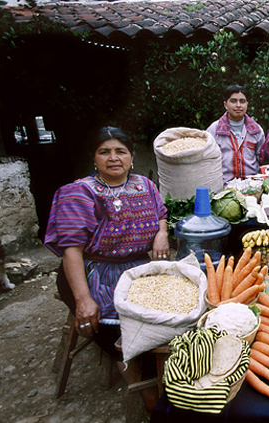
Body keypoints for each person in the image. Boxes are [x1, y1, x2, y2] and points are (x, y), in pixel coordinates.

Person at [44, 126, 169, 412]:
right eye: (105, 152)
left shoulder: (145, 186)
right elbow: (71, 250)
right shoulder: (78, 192)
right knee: (121, 331)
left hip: (136, 267)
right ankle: (147, 389)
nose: (113, 158)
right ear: (94, 158)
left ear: (132, 156)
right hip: (91, 272)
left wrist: (161, 233)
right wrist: (83, 299)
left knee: (163, 318)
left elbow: (161, 214)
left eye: (120, 151)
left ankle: (155, 373)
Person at [205, 85, 265, 183]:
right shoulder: (214, 129)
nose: (238, 105)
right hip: (223, 187)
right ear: (225, 105)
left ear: (247, 104)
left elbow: (262, 160)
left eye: (242, 101)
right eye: (233, 101)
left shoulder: (256, 130)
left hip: (252, 186)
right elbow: (206, 160)